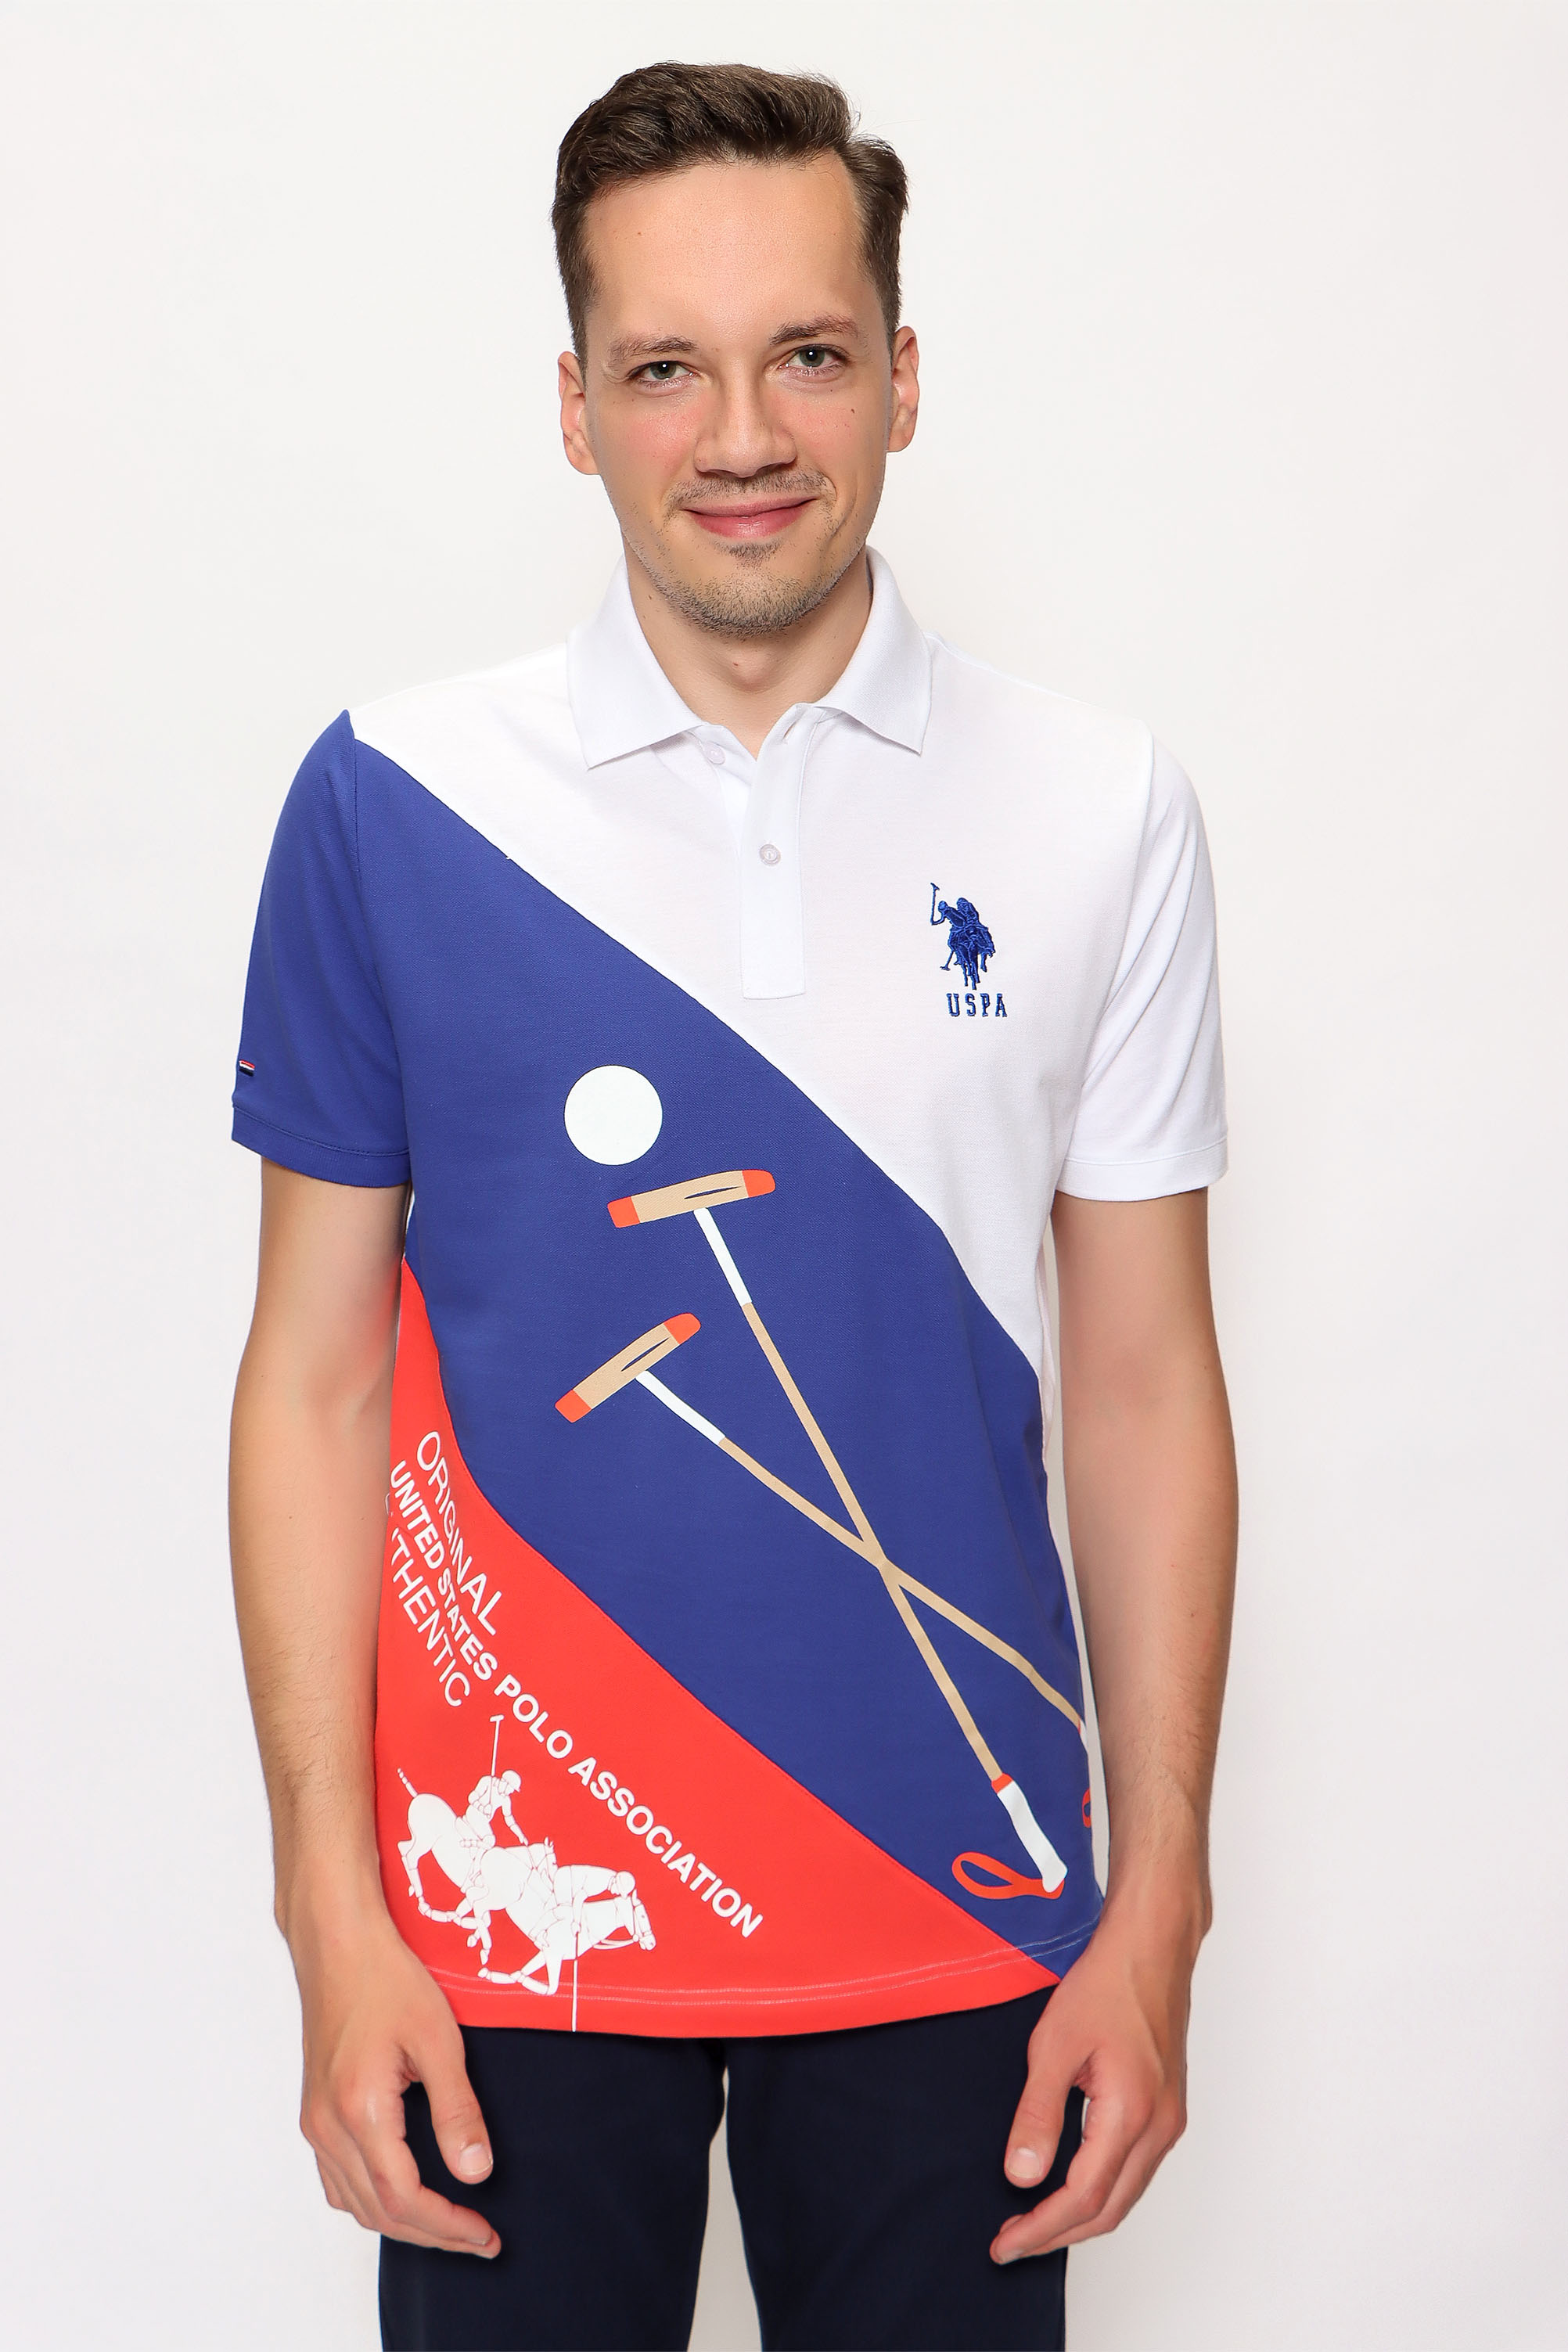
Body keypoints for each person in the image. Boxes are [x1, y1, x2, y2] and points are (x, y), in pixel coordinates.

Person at [229, 59, 1237, 2352]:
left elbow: (1146, 1378)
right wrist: (332, 1914)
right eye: (666, 368)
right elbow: (307, 1383)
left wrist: (1159, 1899)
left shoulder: (1098, 807)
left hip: (959, 1899)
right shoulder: (394, 801)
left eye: (806, 353)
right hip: (519, 1915)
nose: (745, 434)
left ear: (903, 375)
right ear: (575, 407)